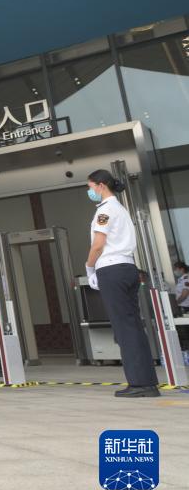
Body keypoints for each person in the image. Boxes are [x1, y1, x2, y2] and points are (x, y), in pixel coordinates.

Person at [85, 170, 159, 398]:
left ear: (101, 186)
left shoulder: (105, 211)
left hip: (111, 269)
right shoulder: (121, 209)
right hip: (127, 268)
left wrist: (89, 267)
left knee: (124, 328)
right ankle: (147, 381)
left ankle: (139, 383)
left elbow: (98, 244)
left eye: (90, 187)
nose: (89, 191)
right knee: (133, 325)